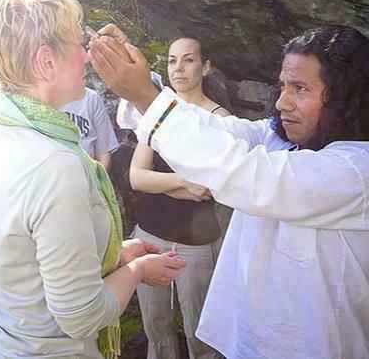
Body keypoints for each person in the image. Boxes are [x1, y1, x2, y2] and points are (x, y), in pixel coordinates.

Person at [89, 25, 369, 358]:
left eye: (300, 88)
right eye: (283, 86)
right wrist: (142, 85)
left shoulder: (356, 171)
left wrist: (146, 97)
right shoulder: (278, 137)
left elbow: (247, 174)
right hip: (247, 343)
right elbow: (215, 131)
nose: (282, 102)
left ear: (346, 96)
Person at [0, 0, 187, 359]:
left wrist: (113, 254)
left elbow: (30, 257)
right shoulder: (56, 164)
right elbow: (82, 316)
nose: (87, 55)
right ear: (46, 61)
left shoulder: (1, 130)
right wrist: (136, 272)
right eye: (78, 44)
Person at [129, 38, 229, 359]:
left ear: (205, 66)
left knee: (201, 333)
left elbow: (211, 188)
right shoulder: (160, 112)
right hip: (149, 236)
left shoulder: (221, 119)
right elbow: (136, 177)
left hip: (197, 243)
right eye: (172, 61)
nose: (179, 69)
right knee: (156, 331)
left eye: (188, 60)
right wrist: (183, 181)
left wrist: (161, 183)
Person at [62, 87, 119, 171]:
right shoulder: (38, 101)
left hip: (87, 178)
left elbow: (103, 157)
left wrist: (95, 181)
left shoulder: (91, 98)